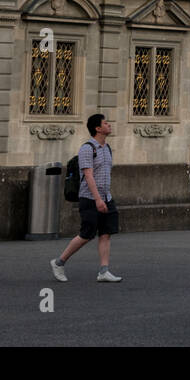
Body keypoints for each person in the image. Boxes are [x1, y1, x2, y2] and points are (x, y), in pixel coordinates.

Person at [51, 113, 121, 283]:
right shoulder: (87, 149)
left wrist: (105, 198)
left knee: (106, 233)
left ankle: (104, 270)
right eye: (106, 123)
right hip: (90, 198)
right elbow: (88, 176)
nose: (109, 125)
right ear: (98, 128)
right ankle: (59, 262)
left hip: (106, 196)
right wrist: (98, 199)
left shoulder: (107, 148)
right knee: (86, 234)